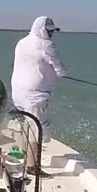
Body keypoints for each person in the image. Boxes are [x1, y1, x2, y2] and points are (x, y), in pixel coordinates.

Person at [10, 15, 67, 177]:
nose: (51, 34)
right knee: (38, 129)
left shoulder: (22, 42)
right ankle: (32, 167)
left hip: (17, 92)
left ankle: (25, 158)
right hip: (34, 95)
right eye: (49, 31)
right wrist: (61, 73)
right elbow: (60, 69)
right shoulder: (46, 45)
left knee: (29, 124)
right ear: (41, 29)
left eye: (53, 31)